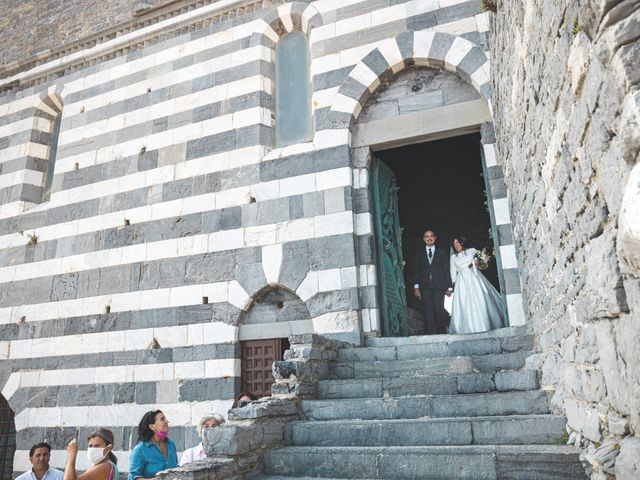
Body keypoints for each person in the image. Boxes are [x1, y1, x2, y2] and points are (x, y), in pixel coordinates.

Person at [449, 235, 506, 334]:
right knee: (464, 302)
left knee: (481, 298)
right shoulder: (453, 257)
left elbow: (482, 259)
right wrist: (452, 286)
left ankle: (486, 323)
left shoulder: (471, 251)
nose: (456, 245)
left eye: (458, 243)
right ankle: (467, 327)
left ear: (461, 243)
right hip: (462, 281)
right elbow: (453, 274)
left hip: (475, 276)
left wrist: (479, 263)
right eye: (454, 244)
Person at [413, 229, 452, 334]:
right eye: (426, 236)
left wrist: (449, 287)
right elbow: (417, 271)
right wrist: (416, 287)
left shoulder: (442, 252)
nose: (429, 238)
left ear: (434, 238)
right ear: (424, 239)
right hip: (425, 286)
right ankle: (430, 333)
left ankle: (441, 332)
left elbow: (446, 270)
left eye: (431, 236)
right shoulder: (419, 254)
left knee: (439, 309)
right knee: (428, 310)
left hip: (439, 285)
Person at [128, 410, 178, 480]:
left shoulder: (171, 445)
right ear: (152, 426)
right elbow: (133, 477)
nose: (167, 421)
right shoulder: (140, 450)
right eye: (162, 419)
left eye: (165, 418)